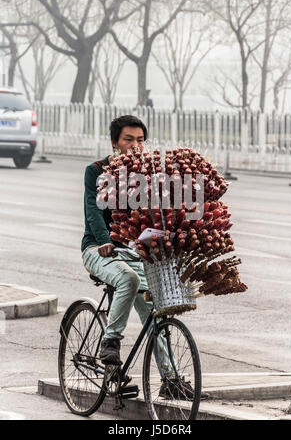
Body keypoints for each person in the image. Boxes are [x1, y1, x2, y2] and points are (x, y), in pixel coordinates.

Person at [81, 115, 196, 400]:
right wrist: (105, 241)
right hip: (99, 250)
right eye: (128, 140)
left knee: (155, 314)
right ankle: (110, 342)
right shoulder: (96, 171)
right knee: (128, 279)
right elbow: (94, 210)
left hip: (134, 252)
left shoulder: (148, 175)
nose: (135, 146)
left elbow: (157, 215)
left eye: (140, 140)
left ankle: (171, 380)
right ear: (114, 143)